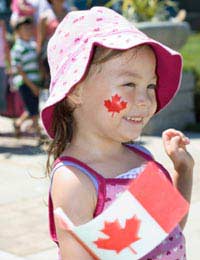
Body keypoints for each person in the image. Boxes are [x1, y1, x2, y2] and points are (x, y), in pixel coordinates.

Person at [41, 7, 194, 260]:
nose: (145, 100)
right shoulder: (75, 181)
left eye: (151, 85)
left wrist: (183, 172)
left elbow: (169, 231)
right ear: (76, 90)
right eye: (129, 84)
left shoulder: (142, 158)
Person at [10, 16, 42, 137]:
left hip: (35, 81)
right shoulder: (18, 48)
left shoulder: (33, 45)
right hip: (25, 83)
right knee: (33, 110)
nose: (28, 31)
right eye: (25, 29)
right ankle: (39, 135)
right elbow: (19, 70)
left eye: (29, 28)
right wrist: (32, 85)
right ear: (18, 31)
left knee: (32, 108)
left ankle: (18, 124)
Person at [37, 0, 72, 88]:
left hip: (69, 56)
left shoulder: (72, 12)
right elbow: (40, 41)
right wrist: (40, 64)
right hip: (52, 59)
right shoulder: (45, 17)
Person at [0, 19, 10, 113]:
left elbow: (6, 47)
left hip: (2, 66)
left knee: (1, 94)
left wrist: (9, 66)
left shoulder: (2, 25)